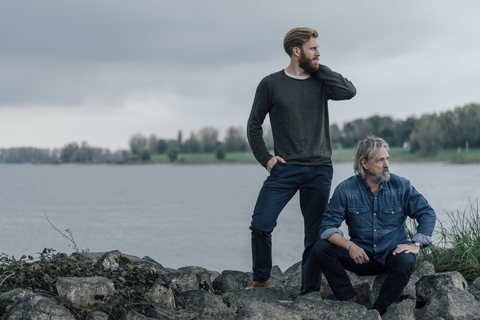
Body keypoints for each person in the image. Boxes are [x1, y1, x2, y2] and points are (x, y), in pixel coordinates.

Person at [246, 27, 356, 295]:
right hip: (284, 169)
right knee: (261, 225)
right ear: (297, 51)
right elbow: (253, 125)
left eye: (318, 48)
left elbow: (349, 90)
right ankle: (261, 278)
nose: (319, 52)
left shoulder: (321, 82)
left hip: (319, 170)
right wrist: (267, 160)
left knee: (314, 236)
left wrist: (317, 67)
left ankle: (309, 293)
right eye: (313, 49)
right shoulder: (271, 84)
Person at [313, 135, 436, 314]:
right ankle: (350, 298)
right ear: (365, 163)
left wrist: (416, 244)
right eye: (380, 160)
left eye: (387, 159)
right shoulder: (346, 189)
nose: (386, 165)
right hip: (362, 257)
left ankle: (378, 311)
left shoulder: (401, 186)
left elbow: (427, 213)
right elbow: (326, 227)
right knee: (321, 248)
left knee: (407, 259)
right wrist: (350, 246)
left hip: (391, 255)